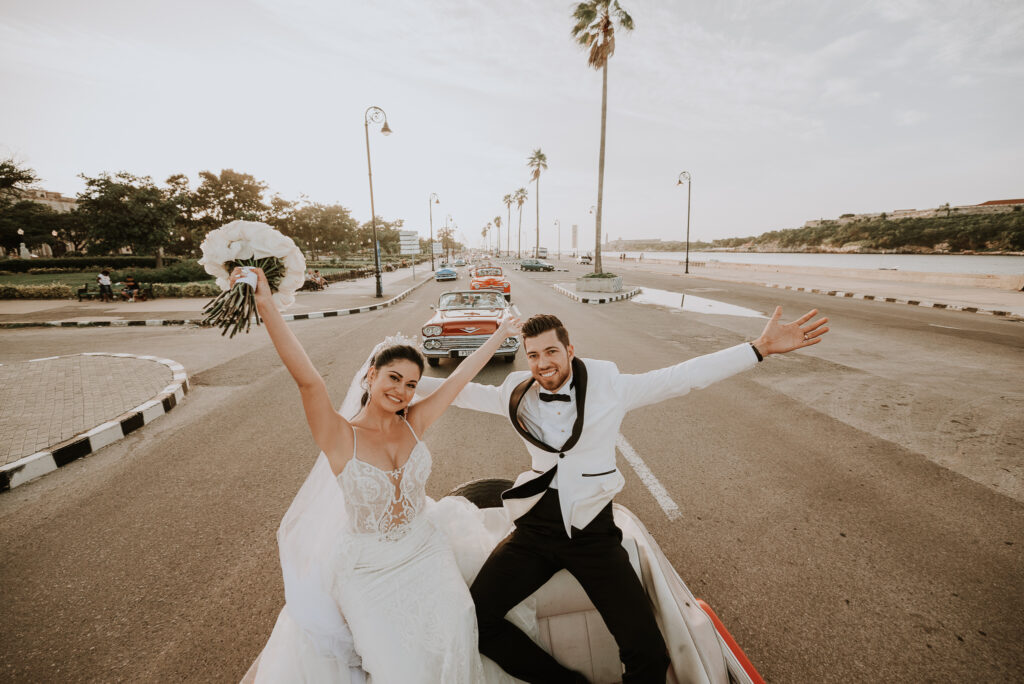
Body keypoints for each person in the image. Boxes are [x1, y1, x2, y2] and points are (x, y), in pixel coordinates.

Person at [416, 308, 829, 683]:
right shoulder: (517, 394)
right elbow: (458, 392)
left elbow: (682, 377)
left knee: (647, 652)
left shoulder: (610, 386)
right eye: (534, 355)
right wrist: (395, 384)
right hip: (535, 531)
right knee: (475, 619)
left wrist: (757, 349)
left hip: (594, 536)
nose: (543, 363)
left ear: (570, 349)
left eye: (551, 352)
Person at [234, 266, 528, 684]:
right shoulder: (340, 436)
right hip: (368, 570)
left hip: (426, 552)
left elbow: (460, 378)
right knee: (396, 665)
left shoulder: (415, 422)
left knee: (456, 630)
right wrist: (266, 304)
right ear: (370, 375)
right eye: (393, 378)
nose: (402, 391)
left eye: (411, 384)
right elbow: (308, 382)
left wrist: (500, 333)